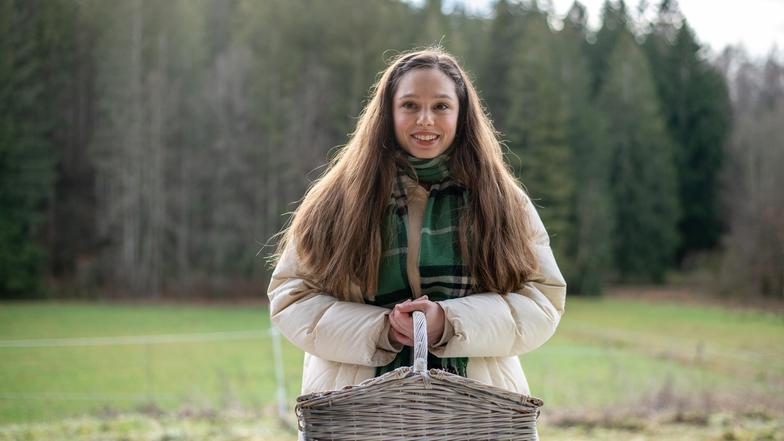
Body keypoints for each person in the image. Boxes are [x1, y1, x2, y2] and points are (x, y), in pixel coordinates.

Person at [267, 47, 566, 403]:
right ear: (388, 113)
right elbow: (292, 297)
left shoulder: (503, 200)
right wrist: (381, 330)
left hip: (479, 407)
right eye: (410, 105)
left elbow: (541, 299)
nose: (425, 119)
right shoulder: (336, 199)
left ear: (462, 115)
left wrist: (449, 322)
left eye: (440, 106)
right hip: (355, 408)